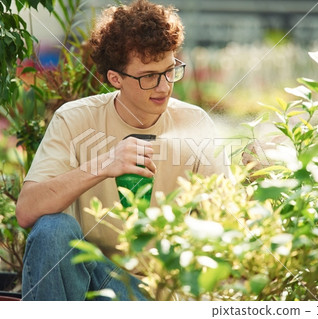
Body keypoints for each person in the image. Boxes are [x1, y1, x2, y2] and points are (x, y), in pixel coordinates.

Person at [16, 0, 230, 301]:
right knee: (53, 228)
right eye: (149, 77)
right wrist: (103, 164)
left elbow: (225, 227)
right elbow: (26, 211)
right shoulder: (75, 118)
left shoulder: (195, 124)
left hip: (160, 293)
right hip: (93, 278)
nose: (164, 87)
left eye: (170, 71)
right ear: (116, 79)